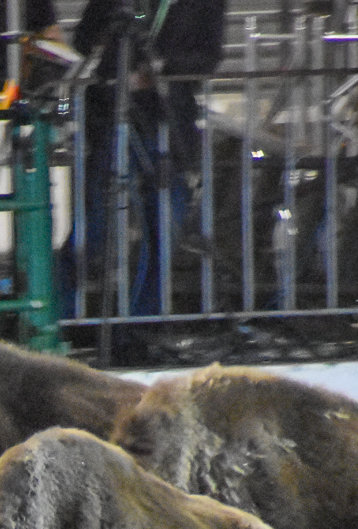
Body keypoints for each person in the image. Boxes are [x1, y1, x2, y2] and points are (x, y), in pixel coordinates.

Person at [67, 0, 228, 321]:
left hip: (167, 116)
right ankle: (66, 316)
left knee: (164, 227)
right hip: (113, 114)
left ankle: (141, 321)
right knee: (93, 227)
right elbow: (85, 39)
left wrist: (160, 70)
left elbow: (207, 57)